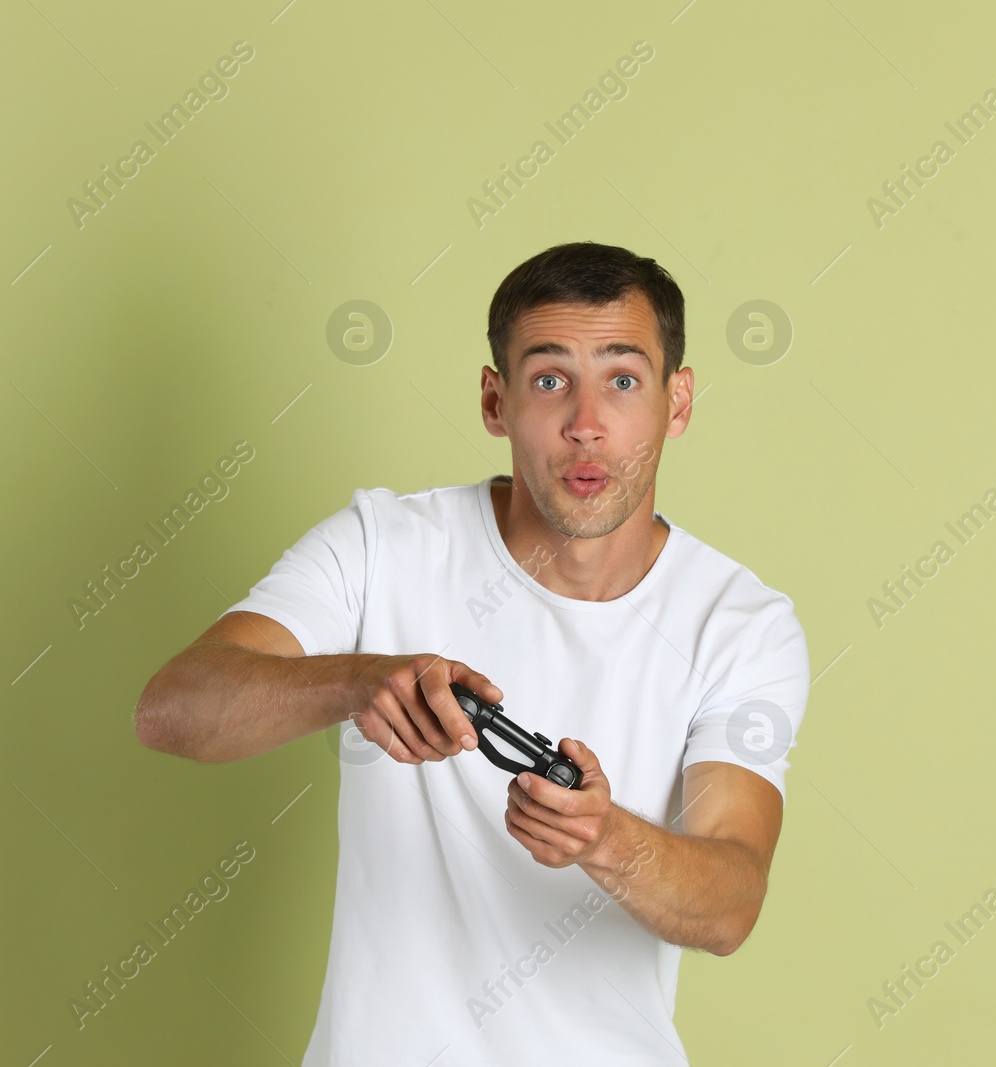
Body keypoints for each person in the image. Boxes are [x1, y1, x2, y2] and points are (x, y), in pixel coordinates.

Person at [134, 240, 811, 1065]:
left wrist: (603, 837)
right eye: (550, 378)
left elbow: (731, 900)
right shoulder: (382, 545)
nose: (586, 423)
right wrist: (358, 681)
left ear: (679, 401)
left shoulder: (740, 623)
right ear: (496, 399)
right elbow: (175, 708)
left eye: (624, 380)